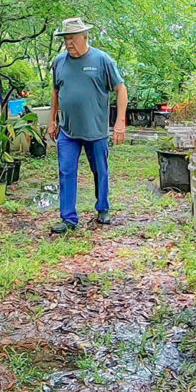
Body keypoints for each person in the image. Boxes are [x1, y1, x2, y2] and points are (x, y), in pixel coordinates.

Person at [47, 18, 128, 234]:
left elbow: (121, 89)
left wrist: (120, 122)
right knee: (66, 171)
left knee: (99, 170)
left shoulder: (102, 60)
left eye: (72, 38)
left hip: (96, 131)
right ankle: (68, 219)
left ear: (84, 37)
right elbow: (56, 92)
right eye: (65, 39)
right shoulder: (59, 62)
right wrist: (52, 120)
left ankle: (102, 208)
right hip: (68, 131)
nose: (68, 43)